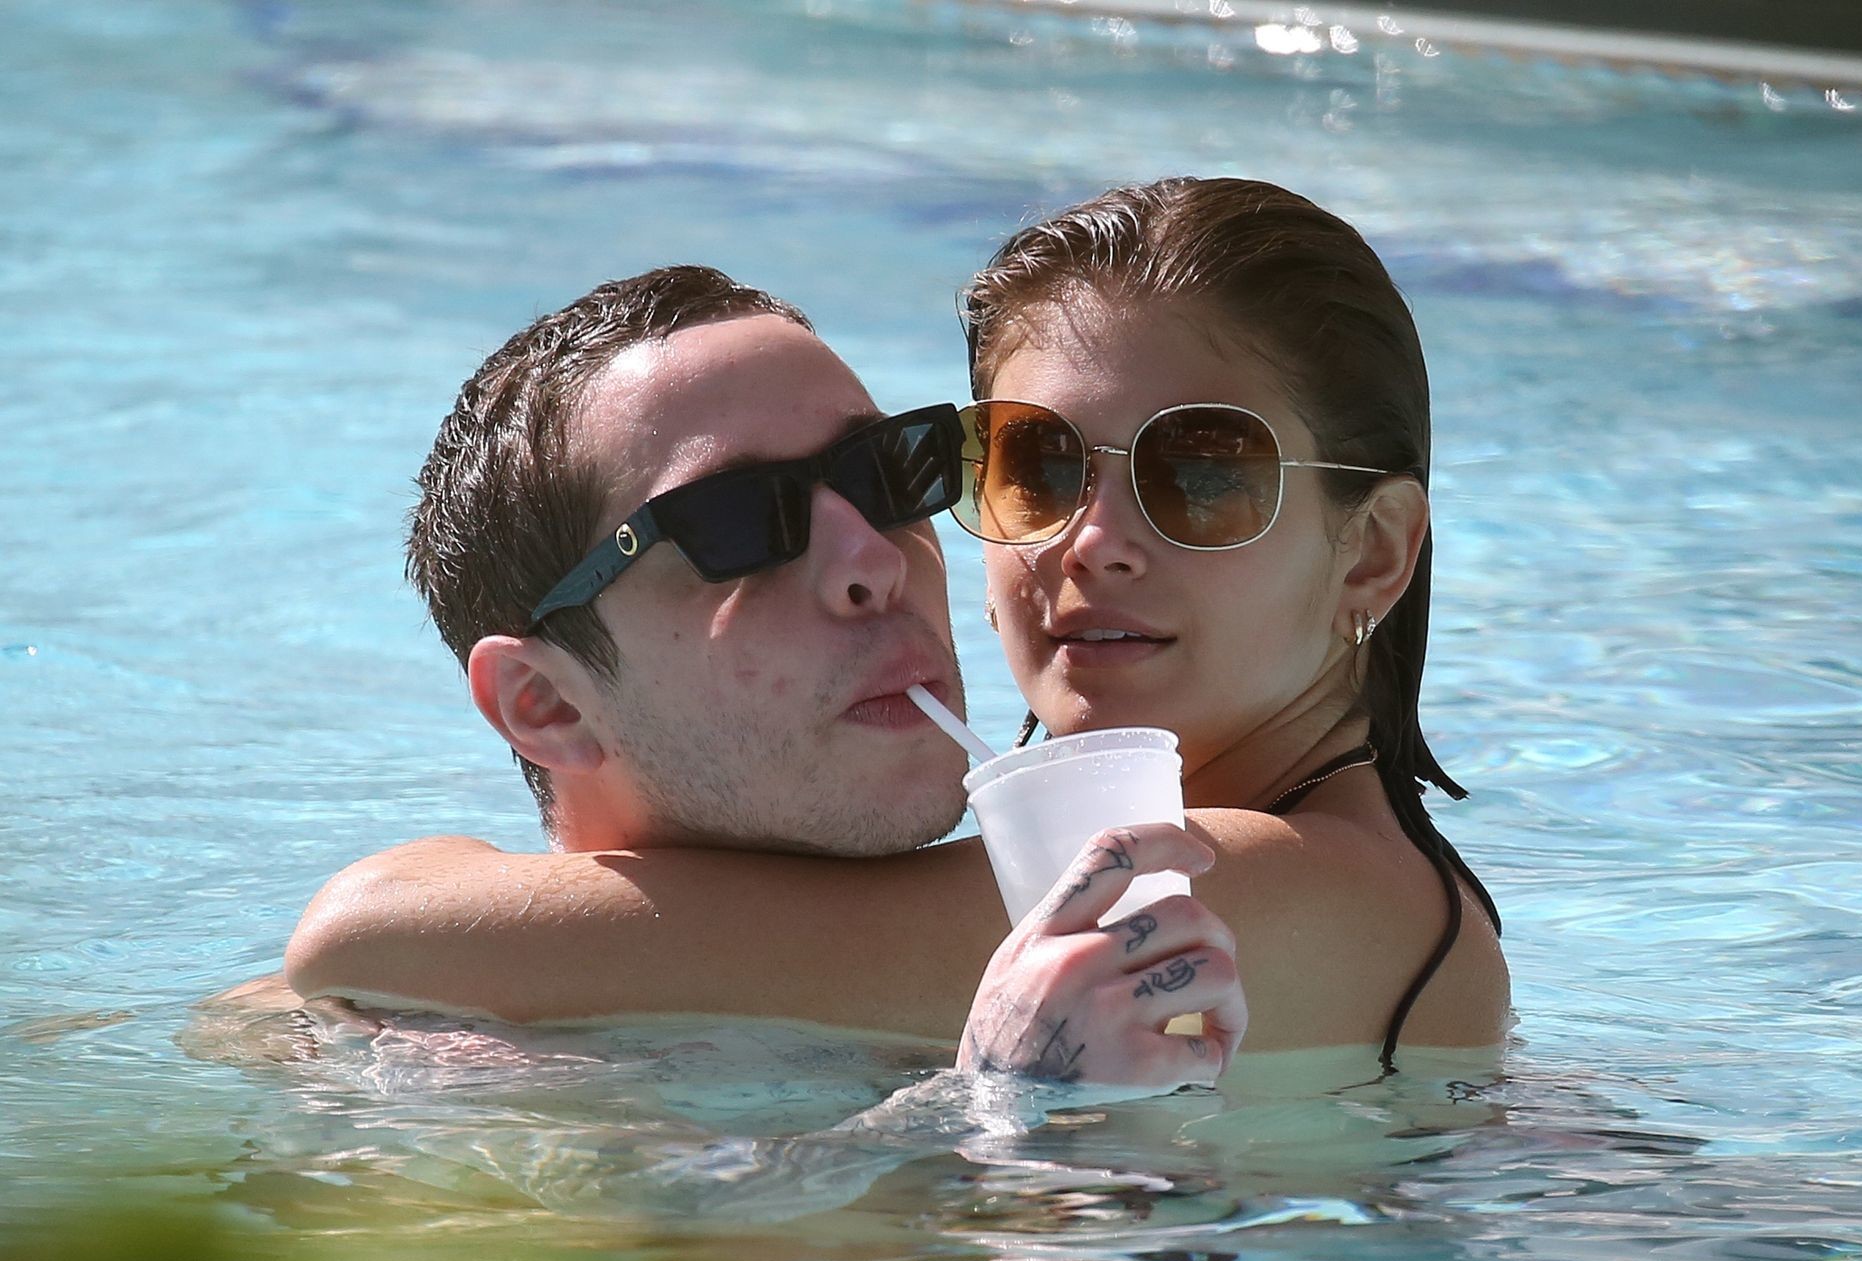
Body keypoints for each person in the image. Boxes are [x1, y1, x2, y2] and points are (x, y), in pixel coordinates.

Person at [287, 178, 1509, 1072]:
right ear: (544, 701)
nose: (1093, 543)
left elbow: (376, 934)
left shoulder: (1300, 899)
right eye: (1036, 465)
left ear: (1373, 552)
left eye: (1204, 472)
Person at [279, 263, 1243, 1088]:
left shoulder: (425, 955)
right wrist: (1017, 1113)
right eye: (737, 523)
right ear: (549, 702)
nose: (874, 560)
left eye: (885, 473)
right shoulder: (444, 1083)